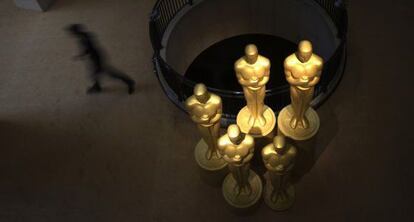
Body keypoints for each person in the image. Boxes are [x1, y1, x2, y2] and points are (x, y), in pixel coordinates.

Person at [66, 24, 135, 94]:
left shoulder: (83, 38)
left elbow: (89, 49)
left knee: (108, 73)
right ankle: (97, 86)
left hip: (96, 58)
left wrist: (81, 55)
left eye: (72, 32)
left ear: (76, 32)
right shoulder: (84, 36)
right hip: (95, 56)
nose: (71, 34)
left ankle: (129, 82)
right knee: (95, 73)